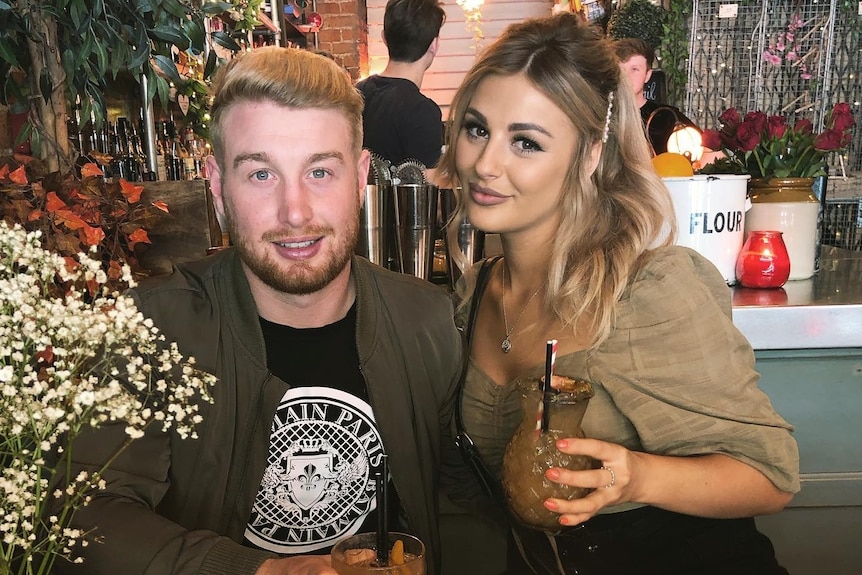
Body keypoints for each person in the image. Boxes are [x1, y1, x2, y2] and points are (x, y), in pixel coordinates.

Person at [56, 47, 463, 575]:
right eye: (261, 175)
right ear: (218, 187)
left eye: (320, 171)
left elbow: (461, 503)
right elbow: (85, 515)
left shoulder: (430, 322)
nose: (295, 212)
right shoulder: (148, 331)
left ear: (360, 178)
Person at [438, 13, 800, 575]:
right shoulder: (473, 293)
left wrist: (638, 476)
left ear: (589, 155)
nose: (486, 165)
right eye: (477, 129)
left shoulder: (646, 291)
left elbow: (769, 477)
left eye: (526, 143)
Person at [356, 0, 446, 181]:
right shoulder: (423, 111)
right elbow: (428, 195)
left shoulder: (354, 94)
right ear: (434, 45)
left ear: (384, 37)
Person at [613, 37, 700, 155]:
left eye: (634, 69)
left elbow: (701, 151)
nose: (626, 76)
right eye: (621, 70)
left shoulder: (667, 117)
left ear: (647, 75)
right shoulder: (600, 115)